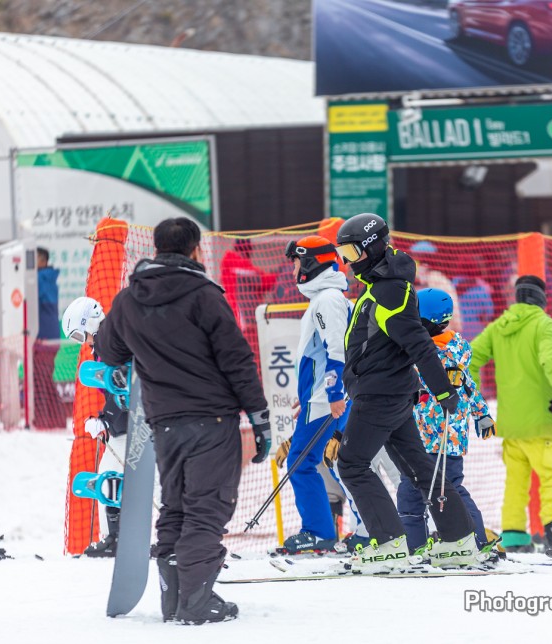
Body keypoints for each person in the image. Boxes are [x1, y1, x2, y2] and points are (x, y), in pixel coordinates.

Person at [94, 217, 271, 625]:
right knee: (207, 508)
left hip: (164, 423)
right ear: (195, 250)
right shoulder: (205, 295)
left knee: (176, 506)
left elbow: (107, 349)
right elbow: (236, 360)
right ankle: (196, 601)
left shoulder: (127, 300)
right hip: (212, 420)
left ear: (155, 249)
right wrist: (259, 418)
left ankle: (175, 597)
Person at [333, 213, 478, 571]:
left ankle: (388, 544)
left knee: (351, 465)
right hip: (391, 393)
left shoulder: (388, 292)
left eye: (352, 252)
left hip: (380, 395)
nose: (348, 262)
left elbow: (419, 345)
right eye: (343, 254)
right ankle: (458, 540)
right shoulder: (384, 284)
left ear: (372, 248)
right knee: (419, 469)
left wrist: (444, 392)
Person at [469, 275, 552, 554]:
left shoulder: (499, 326)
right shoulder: (543, 324)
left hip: (511, 424)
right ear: (542, 297)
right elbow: (550, 360)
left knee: (515, 482)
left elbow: (470, 357)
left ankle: (513, 535)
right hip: (542, 422)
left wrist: (476, 399)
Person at [397, 288, 494, 553]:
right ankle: (420, 545)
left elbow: (466, 386)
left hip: (436, 439)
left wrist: (481, 413)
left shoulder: (437, 354)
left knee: (434, 492)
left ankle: (471, 540)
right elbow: (470, 387)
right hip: (432, 438)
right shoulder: (444, 350)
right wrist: (481, 413)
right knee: (428, 491)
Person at [273, 236, 351, 553]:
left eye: (295, 260)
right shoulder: (323, 299)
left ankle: (318, 532)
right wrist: (306, 393)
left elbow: (337, 351)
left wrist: (331, 394)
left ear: (310, 262)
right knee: (309, 461)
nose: (292, 268)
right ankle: (324, 531)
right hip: (318, 397)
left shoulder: (327, 300)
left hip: (325, 399)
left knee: (301, 462)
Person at [62, 296, 128, 558]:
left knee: (132, 476)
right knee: (108, 471)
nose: (82, 342)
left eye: (80, 335)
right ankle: (116, 538)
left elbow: (125, 386)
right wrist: (102, 418)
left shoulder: (111, 342)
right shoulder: (103, 345)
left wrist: (105, 419)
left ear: (89, 323)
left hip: (139, 421)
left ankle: (167, 537)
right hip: (124, 422)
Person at [34, 247, 62, 429]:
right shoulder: (48, 278)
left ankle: (49, 419)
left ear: (43, 260)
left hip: (43, 338)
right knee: (44, 379)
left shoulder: (38, 279)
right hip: (50, 337)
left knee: (41, 380)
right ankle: (53, 418)